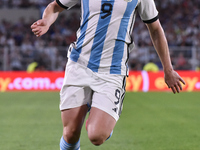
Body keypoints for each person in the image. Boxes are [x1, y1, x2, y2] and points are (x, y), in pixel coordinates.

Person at [31, 0, 186, 149]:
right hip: (79, 64)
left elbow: (155, 29)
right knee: (70, 134)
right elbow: (55, 7)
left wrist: (168, 69)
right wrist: (46, 21)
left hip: (112, 71)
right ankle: (97, 109)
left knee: (96, 135)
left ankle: (101, 117)